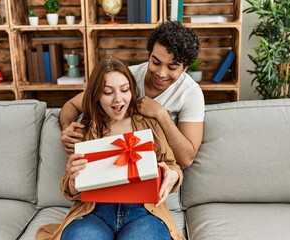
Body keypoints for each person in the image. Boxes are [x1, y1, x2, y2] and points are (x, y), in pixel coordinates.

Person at [36, 57, 184, 240]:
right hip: (94, 212)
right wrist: (73, 182)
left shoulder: (148, 123)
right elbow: (70, 188)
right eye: (108, 92)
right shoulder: (84, 129)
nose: (118, 99)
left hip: (143, 212)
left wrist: (173, 175)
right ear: (97, 94)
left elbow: (173, 166)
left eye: (124, 90)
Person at [60, 20, 205, 169]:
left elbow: (186, 160)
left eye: (172, 67)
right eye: (155, 62)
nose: (161, 73)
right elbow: (71, 104)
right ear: (149, 56)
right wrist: (66, 127)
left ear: (185, 68)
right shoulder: (127, 78)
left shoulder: (190, 93)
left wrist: (161, 114)